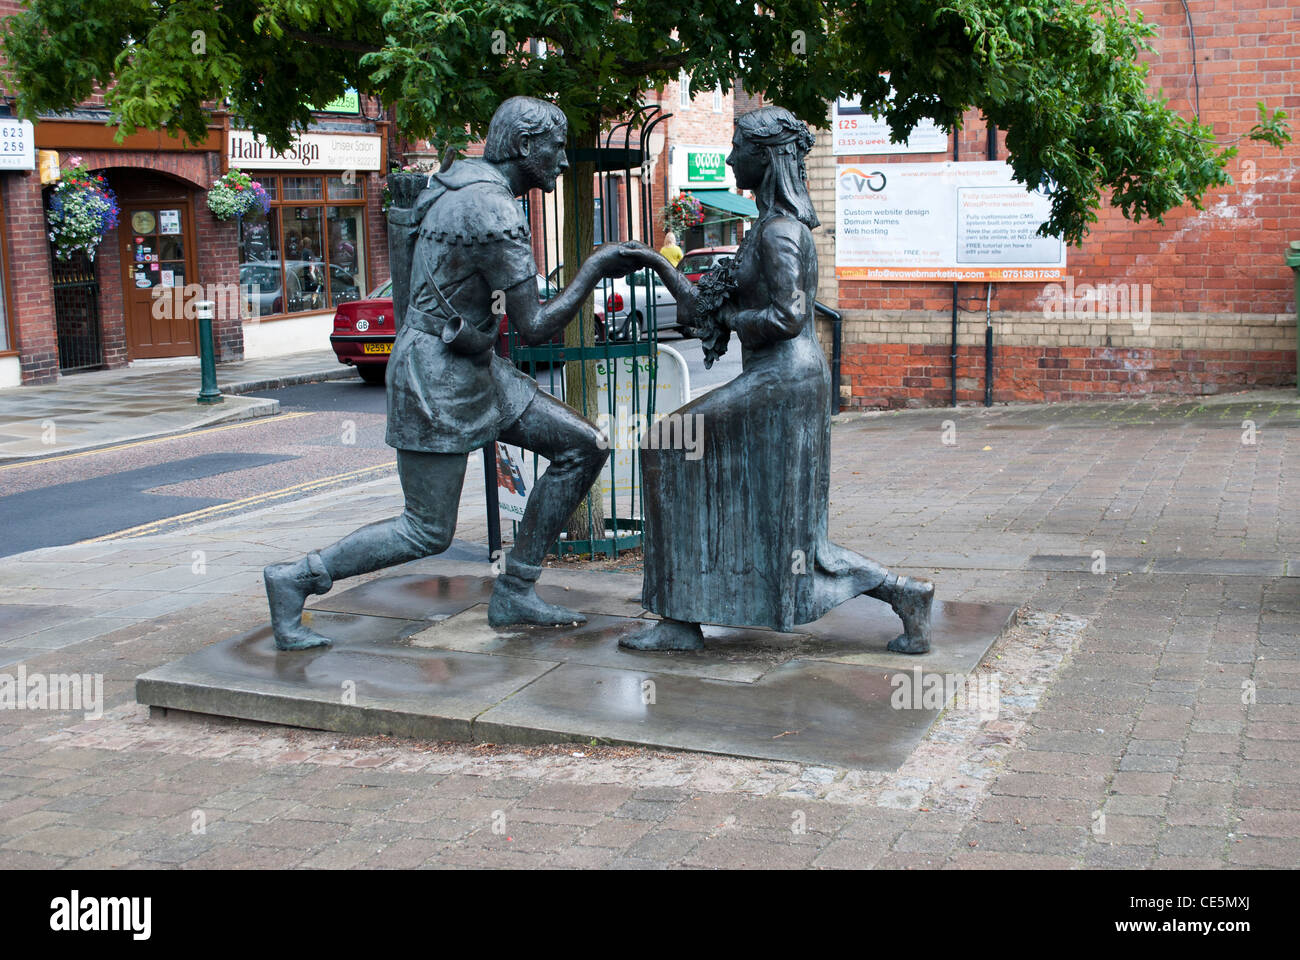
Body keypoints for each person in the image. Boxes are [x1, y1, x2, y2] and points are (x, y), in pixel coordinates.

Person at [263, 96, 659, 650]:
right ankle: (295, 578)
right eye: (556, 147)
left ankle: (515, 589)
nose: (564, 161)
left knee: (584, 446)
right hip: (435, 379)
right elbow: (538, 325)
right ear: (525, 146)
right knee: (425, 529)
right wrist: (595, 265)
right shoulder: (493, 209)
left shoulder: (451, 187)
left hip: (470, 367)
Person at [624, 106, 934, 654]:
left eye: (738, 146)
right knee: (783, 519)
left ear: (765, 158)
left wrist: (734, 320)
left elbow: (790, 317)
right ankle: (902, 594)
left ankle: (679, 619)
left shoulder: (780, 233)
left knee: (666, 447)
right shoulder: (766, 227)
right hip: (778, 381)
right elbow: (710, 303)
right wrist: (655, 262)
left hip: (784, 382)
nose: (729, 157)